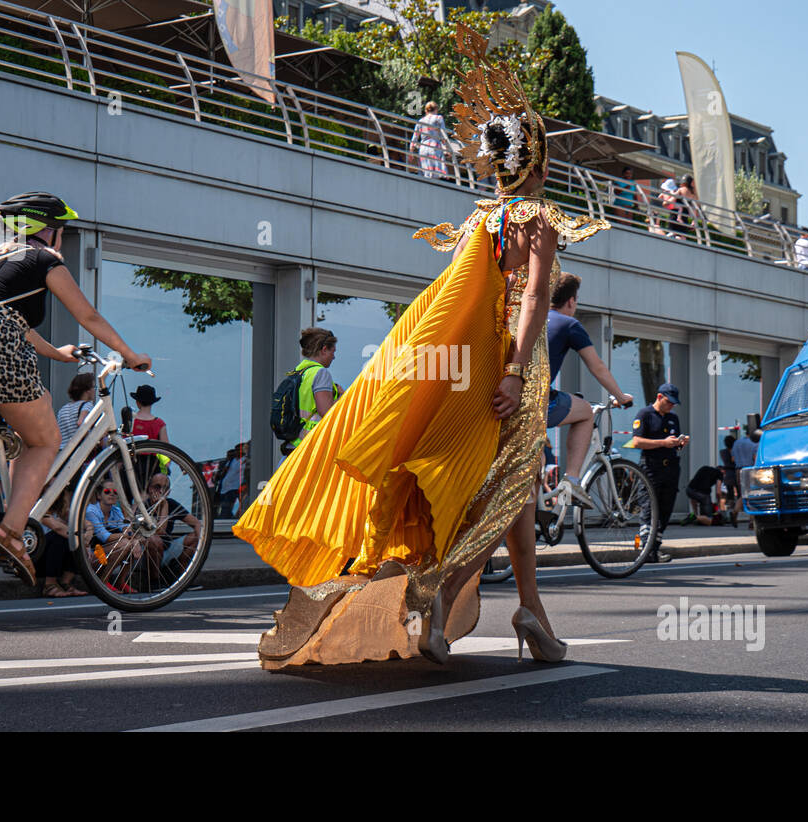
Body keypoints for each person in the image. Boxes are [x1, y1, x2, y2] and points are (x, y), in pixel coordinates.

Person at [234, 24, 611, 667]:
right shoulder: (537, 220)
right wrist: (519, 372)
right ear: (540, 157)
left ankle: (532, 612)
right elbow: (534, 300)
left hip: (470, 366)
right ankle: (438, 594)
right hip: (513, 367)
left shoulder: (479, 221)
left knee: (512, 491)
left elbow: (451, 306)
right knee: (506, 485)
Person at [0, 191, 151, 586]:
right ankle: (11, 532)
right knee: (46, 442)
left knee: (34, 423)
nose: (62, 240)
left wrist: (57, 353)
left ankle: (18, 511)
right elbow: (87, 314)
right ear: (43, 229)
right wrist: (129, 353)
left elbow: (9, 320)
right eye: (61, 230)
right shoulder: (43, 260)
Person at [545, 272, 635, 506]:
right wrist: (621, 396)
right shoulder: (569, 324)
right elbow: (598, 367)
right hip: (540, 402)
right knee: (585, 412)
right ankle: (571, 481)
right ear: (572, 301)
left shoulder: (533, 317)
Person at [629, 383, 687, 562]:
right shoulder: (645, 415)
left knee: (665, 509)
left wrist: (679, 442)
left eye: (673, 404)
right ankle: (644, 550)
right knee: (648, 508)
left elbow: (672, 440)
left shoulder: (673, 418)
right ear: (659, 397)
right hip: (651, 467)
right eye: (669, 402)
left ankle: (655, 549)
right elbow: (636, 442)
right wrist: (663, 443)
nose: (671, 406)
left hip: (670, 467)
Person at [286, 327, 340, 451]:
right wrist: (342, 396)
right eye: (333, 352)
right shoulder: (320, 373)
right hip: (311, 445)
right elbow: (327, 412)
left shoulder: (300, 371)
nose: (334, 357)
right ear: (324, 349)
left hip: (294, 443)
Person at [38, 489, 88, 597]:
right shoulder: (38, 510)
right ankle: (49, 585)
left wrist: (89, 531)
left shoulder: (61, 511)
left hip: (52, 562)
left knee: (73, 537)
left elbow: (83, 522)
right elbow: (57, 528)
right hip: (35, 562)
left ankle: (65, 582)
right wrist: (83, 538)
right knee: (62, 537)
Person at [409, 101, 449, 180]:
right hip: (435, 146)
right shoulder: (438, 118)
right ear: (436, 109)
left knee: (425, 174)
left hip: (423, 148)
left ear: (426, 111)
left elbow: (414, 138)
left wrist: (411, 152)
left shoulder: (420, 121)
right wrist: (447, 148)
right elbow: (443, 135)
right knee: (435, 175)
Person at [56, 372, 95, 451]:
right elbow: (80, 423)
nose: (95, 390)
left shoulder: (63, 409)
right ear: (87, 390)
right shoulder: (87, 405)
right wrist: (94, 439)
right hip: (77, 452)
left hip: (62, 453)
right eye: (94, 387)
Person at [719, 433, 740, 527]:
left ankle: (730, 511)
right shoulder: (734, 451)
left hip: (727, 474)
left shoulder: (722, 452)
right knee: (739, 494)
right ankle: (736, 512)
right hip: (735, 473)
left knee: (730, 495)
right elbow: (734, 460)